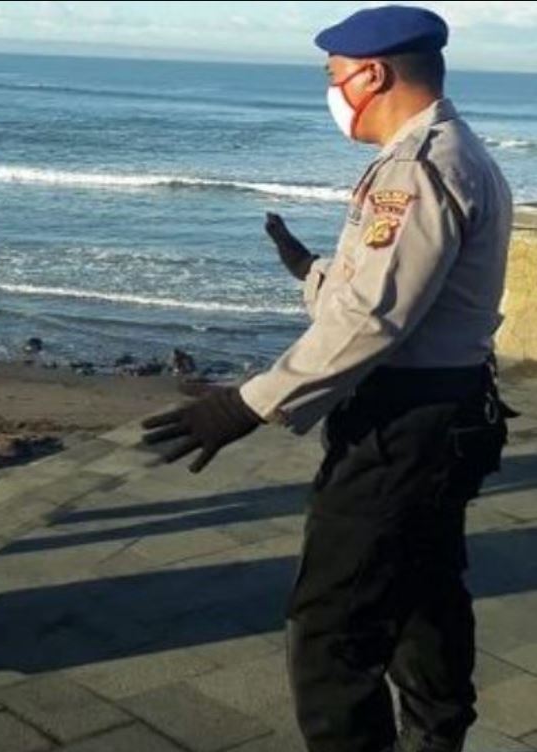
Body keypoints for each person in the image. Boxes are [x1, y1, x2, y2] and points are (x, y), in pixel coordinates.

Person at [142, 6, 515, 751]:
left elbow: (372, 321)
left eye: (334, 75)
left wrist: (245, 405)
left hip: (404, 429)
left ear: (373, 74)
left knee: (330, 627)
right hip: (447, 412)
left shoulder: (417, 167)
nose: (333, 88)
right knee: (423, 596)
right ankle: (437, 739)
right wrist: (309, 271)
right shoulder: (451, 151)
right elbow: (385, 293)